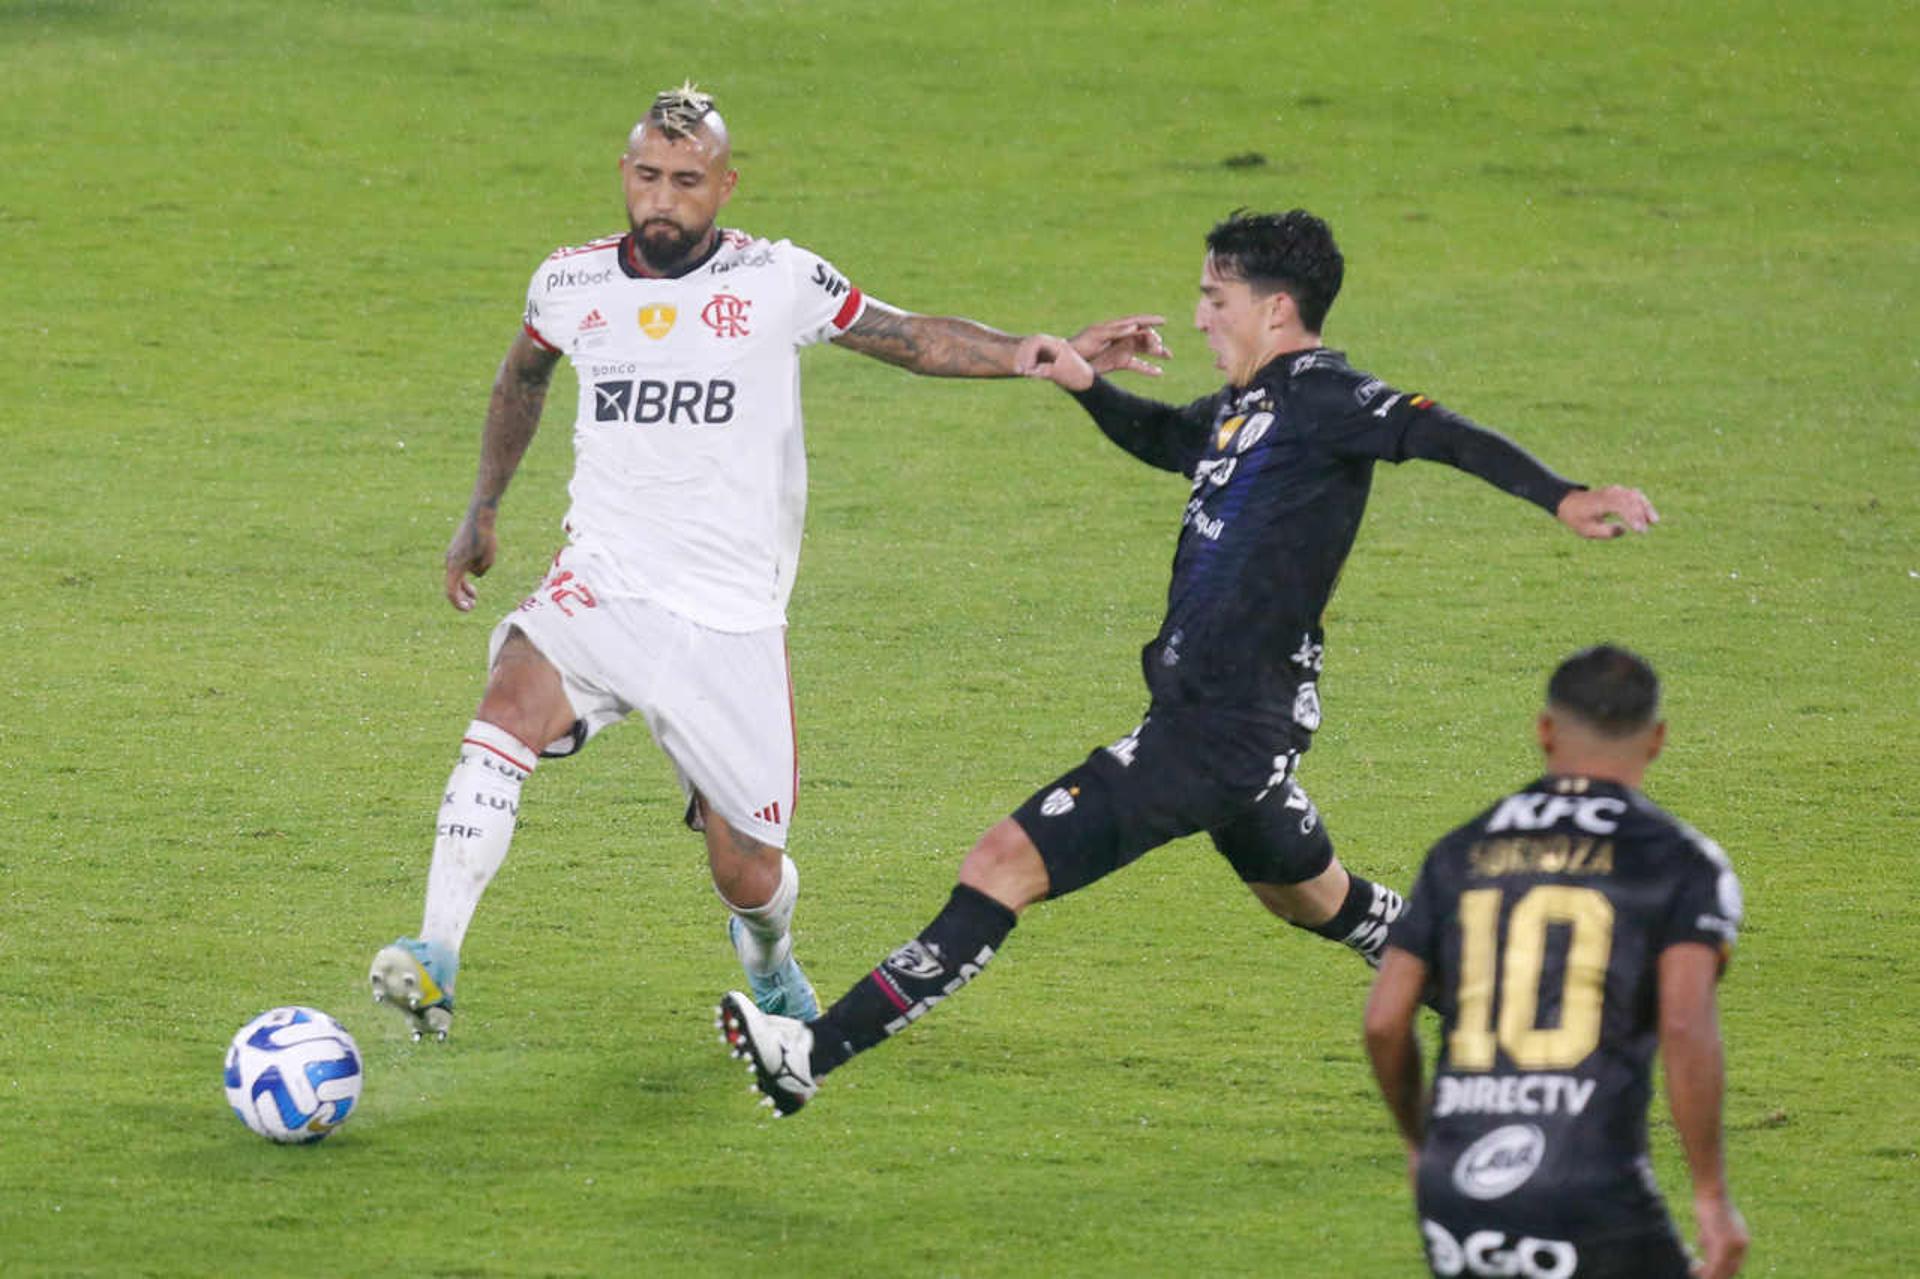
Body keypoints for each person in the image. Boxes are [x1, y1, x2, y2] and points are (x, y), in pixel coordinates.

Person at [716, 208, 1660, 1114]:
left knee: (1002, 862)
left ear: (1276, 307)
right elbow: (1172, 439)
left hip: (1219, 727)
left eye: (1218, 296)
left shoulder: (1330, 399)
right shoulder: (1248, 404)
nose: (1201, 313)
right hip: (1226, 721)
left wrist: (1564, 496)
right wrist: (1084, 382)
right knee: (1313, 895)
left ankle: (812, 1051)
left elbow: (1439, 431)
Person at [368, 83, 1163, 1041]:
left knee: (747, 868)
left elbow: (909, 337)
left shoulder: (777, 279)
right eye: (650, 178)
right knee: (505, 708)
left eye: (689, 182)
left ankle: (770, 961)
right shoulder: (569, 283)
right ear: (625, 174)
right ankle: (434, 952)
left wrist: (1042, 353)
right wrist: (483, 508)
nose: (665, 199)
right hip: (602, 586)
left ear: (726, 186)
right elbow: (522, 374)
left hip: (728, 624)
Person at [1364, 646, 1747, 1279]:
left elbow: (1384, 1022)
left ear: (1544, 731)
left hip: (1460, 1184)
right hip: (1594, 1188)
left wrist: (1419, 1140)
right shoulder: (1681, 862)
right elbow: (1684, 1026)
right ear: (1655, 740)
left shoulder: (1458, 852)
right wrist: (1710, 1194)